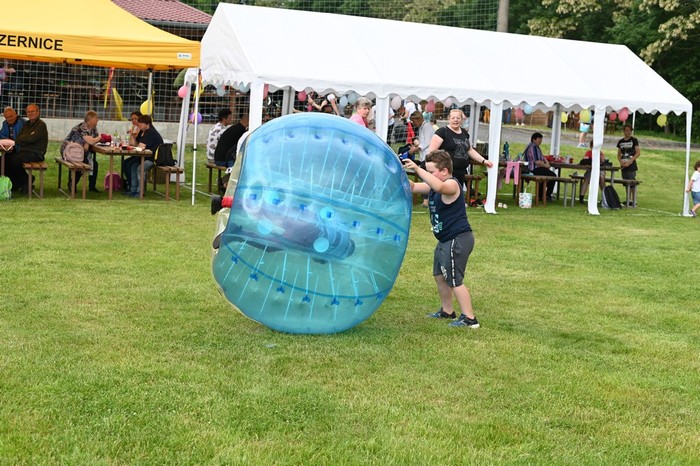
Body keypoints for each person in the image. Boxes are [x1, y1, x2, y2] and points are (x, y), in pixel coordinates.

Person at [401, 150, 483, 328]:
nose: (428, 175)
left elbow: (439, 187)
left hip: (457, 239)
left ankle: (470, 319)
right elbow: (413, 187)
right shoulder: (434, 185)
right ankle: (447, 311)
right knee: (439, 275)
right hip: (445, 240)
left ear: (444, 171)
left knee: (454, 279)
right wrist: (397, 173)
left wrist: (417, 169)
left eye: (431, 172)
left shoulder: (452, 184)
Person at [427, 109, 492, 188]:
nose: (455, 120)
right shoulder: (442, 132)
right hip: (446, 172)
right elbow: (432, 153)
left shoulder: (464, 133)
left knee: (457, 193)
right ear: (449, 118)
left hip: (461, 172)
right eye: (453, 118)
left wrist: (483, 161)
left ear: (461, 120)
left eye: (458, 118)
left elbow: (470, 150)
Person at [5, 104, 47, 194]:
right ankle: (16, 183)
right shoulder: (27, 124)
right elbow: (19, 138)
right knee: (4, 159)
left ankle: (26, 181)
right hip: (24, 151)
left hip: (36, 153)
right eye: (28, 112)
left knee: (15, 161)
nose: (30, 113)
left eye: (32, 111)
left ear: (38, 112)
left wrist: (25, 138)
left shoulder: (41, 125)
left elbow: (32, 139)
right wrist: (26, 137)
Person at [60, 110, 102, 192]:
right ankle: (72, 183)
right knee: (83, 162)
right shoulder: (82, 127)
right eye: (96, 118)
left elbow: (92, 141)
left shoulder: (93, 128)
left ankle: (92, 187)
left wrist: (89, 142)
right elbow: (93, 140)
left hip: (80, 152)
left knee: (94, 163)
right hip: (69, 152)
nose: (98, 120)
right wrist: (99, 137)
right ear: (90, 119)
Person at [122, 114, 163, 197]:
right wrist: (132, 135)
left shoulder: (150, 132)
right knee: (133, 166)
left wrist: (136, 145)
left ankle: (140, 191)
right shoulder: (143, 131)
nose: (139, 124)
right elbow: (135, 144)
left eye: (141, 123)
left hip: (153, 159)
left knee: (140, 168)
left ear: (147, 124)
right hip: (144, 157)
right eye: (139, 122)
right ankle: (133, 190)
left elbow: (140, 146)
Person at [522, 131, 556, 202]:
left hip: (537, 168)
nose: (540, 141)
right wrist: (546, 165)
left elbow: (542, 157)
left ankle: (541, 195)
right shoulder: (533, 147)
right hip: (533, 169)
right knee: (553, 176)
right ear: (534, 139)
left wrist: (547, 162)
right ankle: (547, 195)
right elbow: (537, 162)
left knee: (546, 176)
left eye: (541, 139)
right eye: (539, 139)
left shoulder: (536, 147)